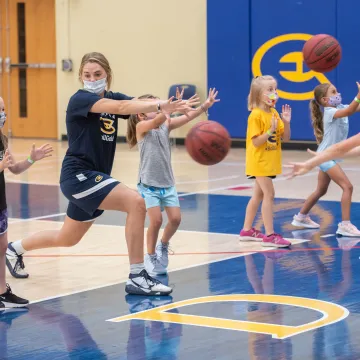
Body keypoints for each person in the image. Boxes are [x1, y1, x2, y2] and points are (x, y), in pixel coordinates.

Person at [5, 52, 197, 296]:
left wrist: (171, 105)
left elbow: (136, 103)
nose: (92, 78)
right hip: (78, 175)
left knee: (68, 237)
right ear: (80, 77)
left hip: (94, 177)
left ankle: (14, 249)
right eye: (87, 75)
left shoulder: (112, 96)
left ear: (107, 75)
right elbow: (122, 107)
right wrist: (161, 105)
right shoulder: (81, 99)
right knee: (136, 203)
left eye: (97, 74)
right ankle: (138, 276)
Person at [126, 88, 219, 275]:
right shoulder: (141, 127)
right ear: (141, 113)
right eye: (154, 106)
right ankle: (150, 255)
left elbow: (186, 118)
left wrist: (204, 106)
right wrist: (169, 109)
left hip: (167, 183)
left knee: (176, 219)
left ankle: (163, 245)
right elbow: (156, 120)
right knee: (156, 221)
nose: (158, 108)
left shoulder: (165, 124)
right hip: (148, 185)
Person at [0, 96, 53, 307]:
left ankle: (3, 291)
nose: (2, 114)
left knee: (2, 247)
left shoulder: (2, 139)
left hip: (1, 202)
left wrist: (32, 159)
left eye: (3, 109)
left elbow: (15, 168)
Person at [290, 83, 360, 236]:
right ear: (325, 100)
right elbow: (350, 110)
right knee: (347, 187)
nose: (338, 93)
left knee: (321, 190)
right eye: (334, 91)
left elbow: (354, 108)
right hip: (325, 156)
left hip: (328, 155)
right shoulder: (330, 111)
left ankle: (301, 217)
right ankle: (345, 225)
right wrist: (358, 95)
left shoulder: (340, 106)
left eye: (337, 90)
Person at [239, 75, 292, 248]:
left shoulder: (274, 113)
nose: (274, 93)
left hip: (269, 161)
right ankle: (269, 235)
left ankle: (247, 230)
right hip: (259, 162)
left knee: (258, 195)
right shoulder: (255, 115)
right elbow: (255, 142)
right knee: (269, 194)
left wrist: (286, 121)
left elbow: (286, 138)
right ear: (258, 94)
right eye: (269, 90)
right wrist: (269, 132)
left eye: (275, 89)